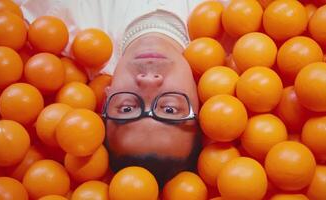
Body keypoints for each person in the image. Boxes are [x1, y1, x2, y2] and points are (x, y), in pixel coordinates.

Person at [18, 0, 229, 185]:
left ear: (106, 99)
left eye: (127, 108)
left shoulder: (55, 23)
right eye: (170, 109)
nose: (148, 81)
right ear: (200, 103)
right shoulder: (230, 24)